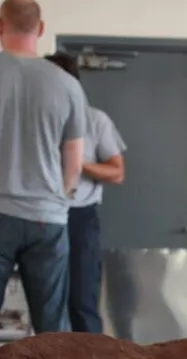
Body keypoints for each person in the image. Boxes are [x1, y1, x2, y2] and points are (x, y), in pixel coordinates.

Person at [0, 0, 88, 359]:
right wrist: (59, 196)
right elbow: (74, 164)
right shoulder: (67, 85)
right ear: (40, 29)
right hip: (47, 218)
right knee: (53, 329)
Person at [43, 51, 127, 334]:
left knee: (82, 301)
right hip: (39, 215)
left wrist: (76, 163)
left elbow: (117, 172)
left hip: (79, 217)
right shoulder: (34, 121)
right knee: (46, 302)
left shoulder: (95, 120)